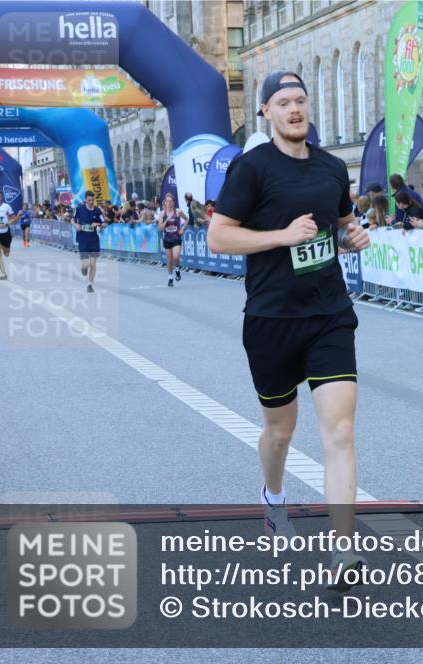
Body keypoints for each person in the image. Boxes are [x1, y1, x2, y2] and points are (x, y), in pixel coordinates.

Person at [208, 71, 371, 588]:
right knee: (280, 432)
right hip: (272, 318)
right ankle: (273, 496)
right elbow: (218, 238)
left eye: (300, 100)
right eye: (283, 102)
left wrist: (353, 236)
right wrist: (282, 236)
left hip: (328, 314)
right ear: (267, 112)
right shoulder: (251, 168)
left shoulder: (330, 167)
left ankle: (343, 553)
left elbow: (341, 222)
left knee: (340, 432)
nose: (295, 109)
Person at [72, 191, 105, 293]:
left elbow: (104, 224)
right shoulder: (79, 209)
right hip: (83, 239)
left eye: (92, 200)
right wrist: (76, 225)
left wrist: (98, 224)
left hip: (94, 240)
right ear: (85, 199)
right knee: (86, 265)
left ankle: (90, 285)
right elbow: (72, 220)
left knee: (93, 264)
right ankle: (83, 269)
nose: (91, 202)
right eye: (89, 200)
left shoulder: (97, 211)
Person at [156, 193, 189, 287]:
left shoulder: (178, 212)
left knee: (176, 257)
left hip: (176, 238)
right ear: (165, 203)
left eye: (171, 201)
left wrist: (182, 229)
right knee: (169, 260)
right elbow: (160, 229)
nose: (169, 203)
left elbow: (187, 219)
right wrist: (167, 220)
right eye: (167, 201)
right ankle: (170, 278)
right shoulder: (162, 214)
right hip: (167, 239)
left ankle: (177, 270)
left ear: (173, 202)